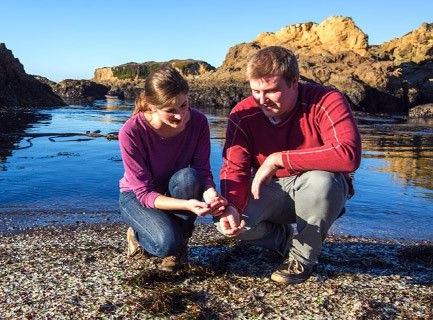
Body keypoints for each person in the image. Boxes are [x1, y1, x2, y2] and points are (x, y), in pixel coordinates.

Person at [218, 46, 361, 284]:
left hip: (318, 191)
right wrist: (231, 205)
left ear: (294, 81)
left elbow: (348, 155)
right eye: (256, 91)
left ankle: (301, 258)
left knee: (321, 182)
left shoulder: (326, 100)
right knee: (226, 223)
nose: (262, 100)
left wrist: (278, 159)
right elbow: (235, 168)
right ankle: (282, 239)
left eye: (272, 91)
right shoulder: (243, 113)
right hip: (274, 191)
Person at [119, 66, 226, 271]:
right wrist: (187, 205)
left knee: (190, 177)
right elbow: (144, 194)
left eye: (184, 105)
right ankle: (138, 234)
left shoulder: (199, 122)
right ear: (151, 107)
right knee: (165, 242)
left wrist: (212, 195)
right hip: (136, 197)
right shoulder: (131, 132)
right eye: (170, 111)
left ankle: (179, 247)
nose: (180, 116)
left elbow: (202, 170)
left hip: (174, 188)